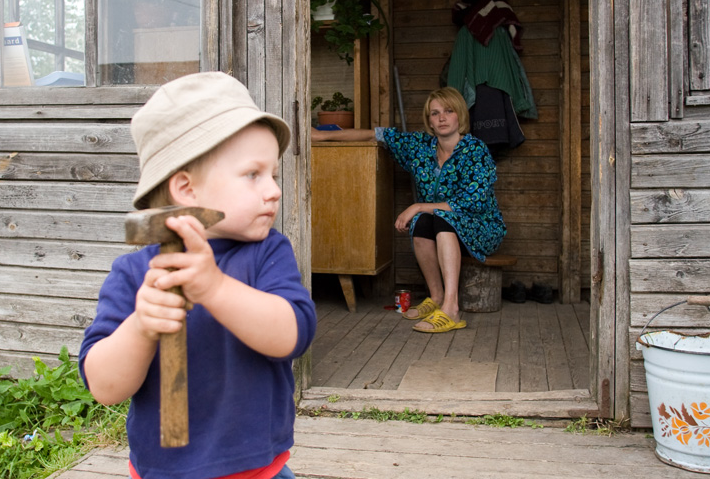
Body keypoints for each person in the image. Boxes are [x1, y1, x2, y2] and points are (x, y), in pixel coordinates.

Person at [80, 72, 317, 479]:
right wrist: (140, 325)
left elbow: (292, 337)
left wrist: (215, 288)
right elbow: (104, 387)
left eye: (273, 175)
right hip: (163, 471)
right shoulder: (136, 274)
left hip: (259, 471)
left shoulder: (266, 253)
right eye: (253, 174)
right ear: (186, 190)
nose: (274, 190)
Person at [311, 87, 505, 333]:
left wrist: (418, 206)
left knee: (440, 218)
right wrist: (321, 137)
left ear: (460, 116)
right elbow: (378, 135)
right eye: (435, 113)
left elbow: (471, 202)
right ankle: (436, 298)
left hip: (482, 227)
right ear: (429, 122)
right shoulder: (420, 146)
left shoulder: (476, 151)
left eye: (448, 111)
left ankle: (451, 308)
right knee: (422, 221)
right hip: (440, 226)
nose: (442, 118)